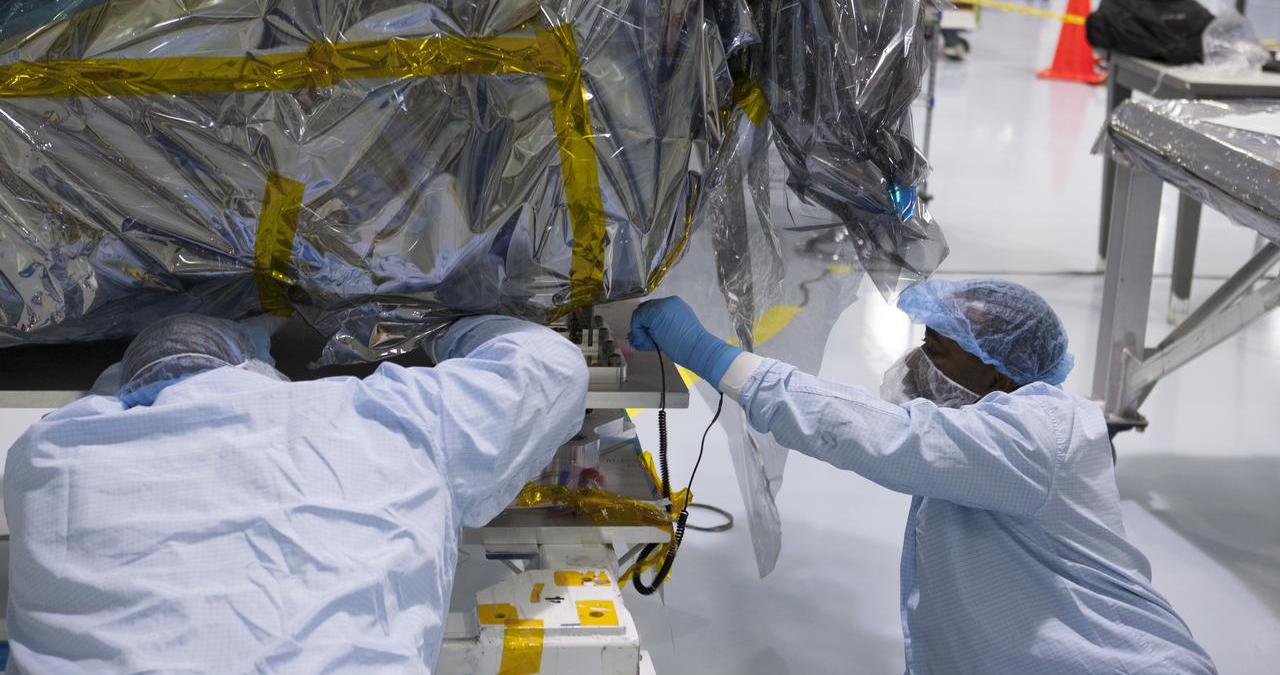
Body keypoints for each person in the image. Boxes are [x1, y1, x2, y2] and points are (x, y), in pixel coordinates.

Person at [629, 279, 1217, 675]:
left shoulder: (1038, 434)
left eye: (939, 349)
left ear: (999, 372)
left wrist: (709, 355)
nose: (918, 362)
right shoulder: (988, 430)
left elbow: (886, 437)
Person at [4, 312, 588, 673]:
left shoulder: (50, 454)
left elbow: (110, 395)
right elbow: (551, 368)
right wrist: (437, 321)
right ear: (255, 367)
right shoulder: (389, 417)